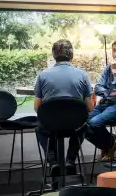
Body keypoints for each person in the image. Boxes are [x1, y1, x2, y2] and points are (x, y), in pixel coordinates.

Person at [34, 39, 93, 176]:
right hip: (75, 126)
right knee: (83, 126)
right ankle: (70, 160)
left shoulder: (43, 75)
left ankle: (53, 161)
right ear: (71, 55)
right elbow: (89, 107)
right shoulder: (82, 75)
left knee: (42, 128)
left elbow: (37, 108)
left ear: (54, 56)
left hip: (51, 125)